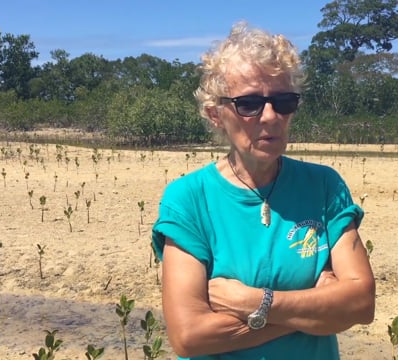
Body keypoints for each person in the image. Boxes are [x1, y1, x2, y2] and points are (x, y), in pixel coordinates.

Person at [151, 21, 375, 359]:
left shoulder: (325, 186)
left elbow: (360, 304)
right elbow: (190, 336)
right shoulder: (188, 199)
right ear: (215, 114)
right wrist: (314, 313)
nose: (270, 116)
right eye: (249, 103)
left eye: (283, 101)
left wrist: (254, 303)